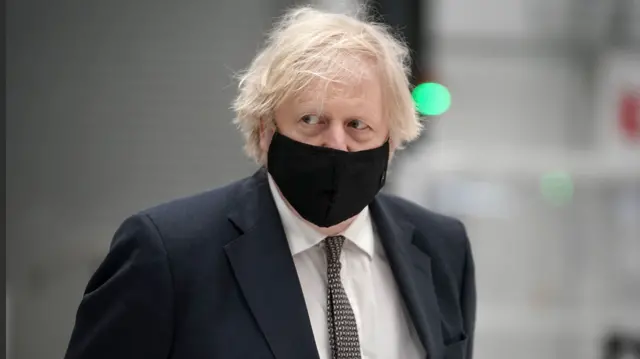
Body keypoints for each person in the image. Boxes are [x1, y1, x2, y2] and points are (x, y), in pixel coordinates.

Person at [64, 6, 476, 359]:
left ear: (391, 140)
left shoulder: (441, 248)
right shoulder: (168, 253)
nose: (336, 144)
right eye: (311, 120)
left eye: (358, 125)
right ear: (265, 130)